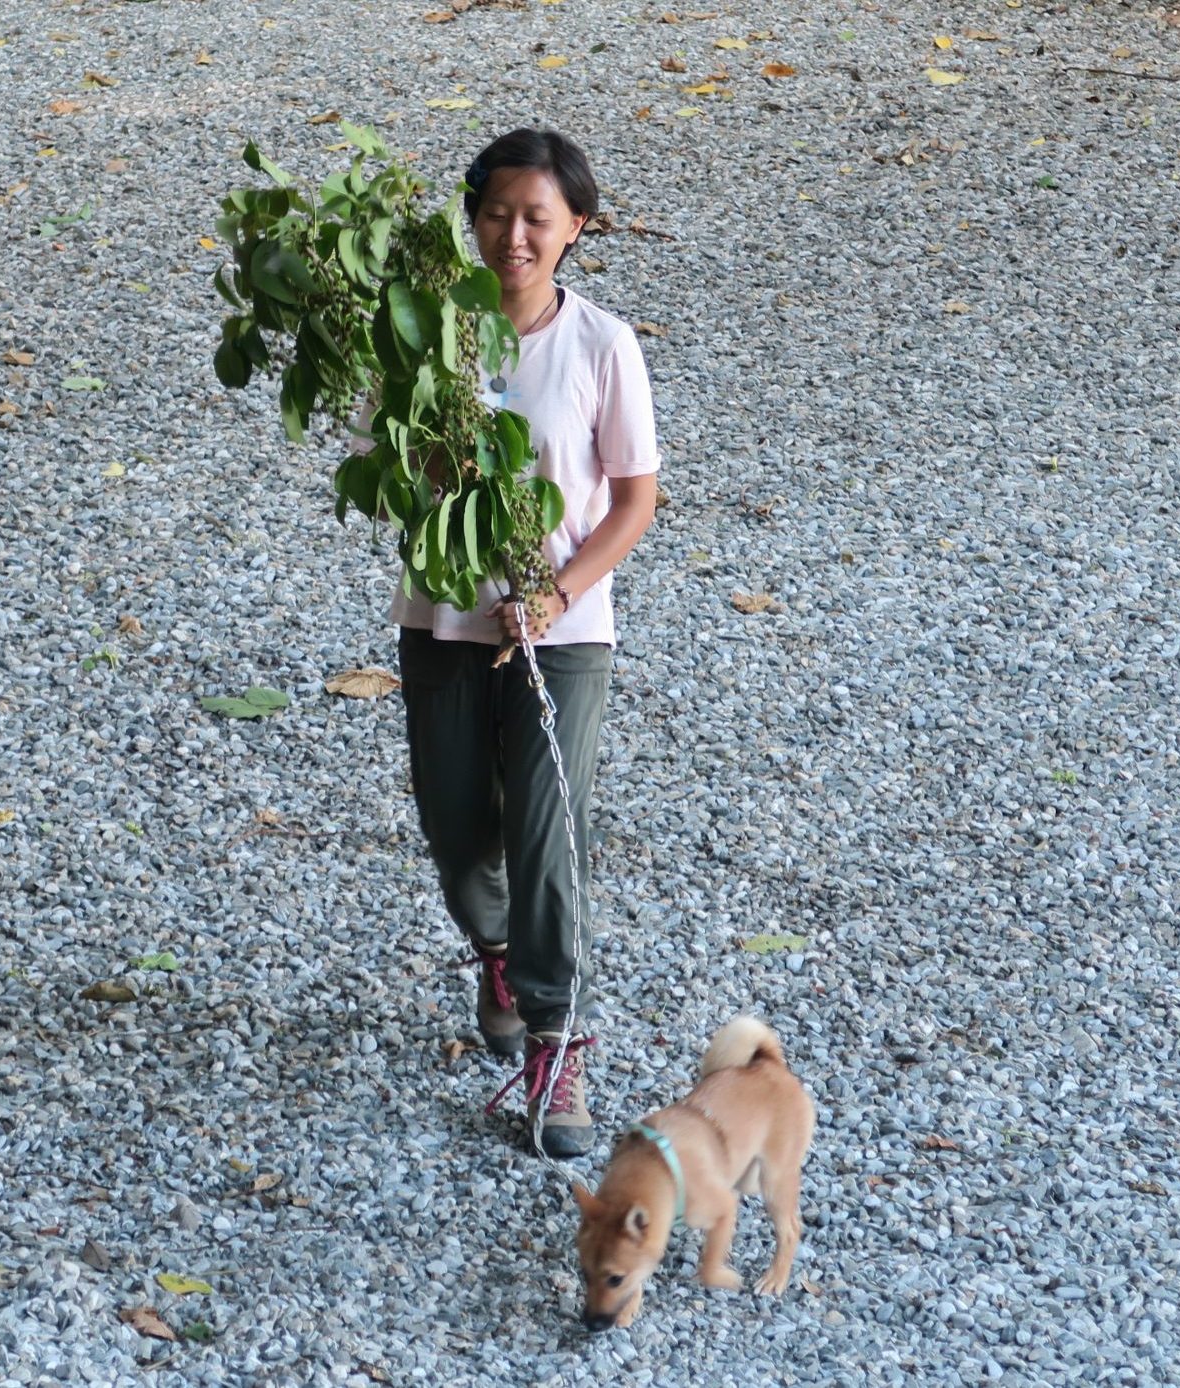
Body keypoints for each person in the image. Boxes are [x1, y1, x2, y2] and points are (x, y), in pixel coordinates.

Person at [395, 128, 661, 1157]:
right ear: (472, 218)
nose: (513, 235)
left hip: (564, 635)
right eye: (497, 213)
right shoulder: (428, 336)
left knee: (549, 841)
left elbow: (634, 499)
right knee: (462, 844)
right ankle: (496, 952)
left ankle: (555, 1038)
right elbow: (392, 465)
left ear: (575, 229)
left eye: (536, 218)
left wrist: (556, 592)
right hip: (446, 619)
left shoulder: (602, 344)